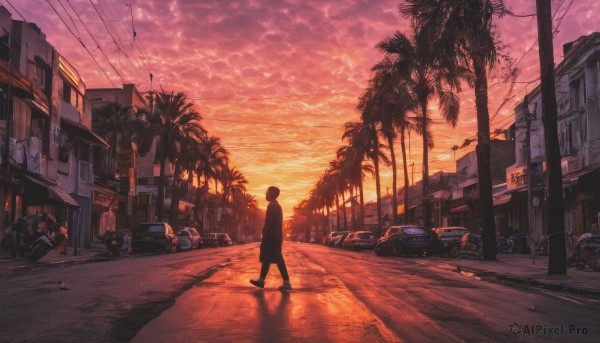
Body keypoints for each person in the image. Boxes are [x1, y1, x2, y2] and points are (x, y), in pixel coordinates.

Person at [250, 186, 292, 291]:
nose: (266, 194)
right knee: (267, 258)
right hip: (274, 237)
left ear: (272, 194)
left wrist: (265, 236)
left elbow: (270, 224)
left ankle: (287, 283)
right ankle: (261, 280)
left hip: (272, 237)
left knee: (277, 258)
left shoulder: (273, 206)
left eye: (268, 192)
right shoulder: (274, 205)